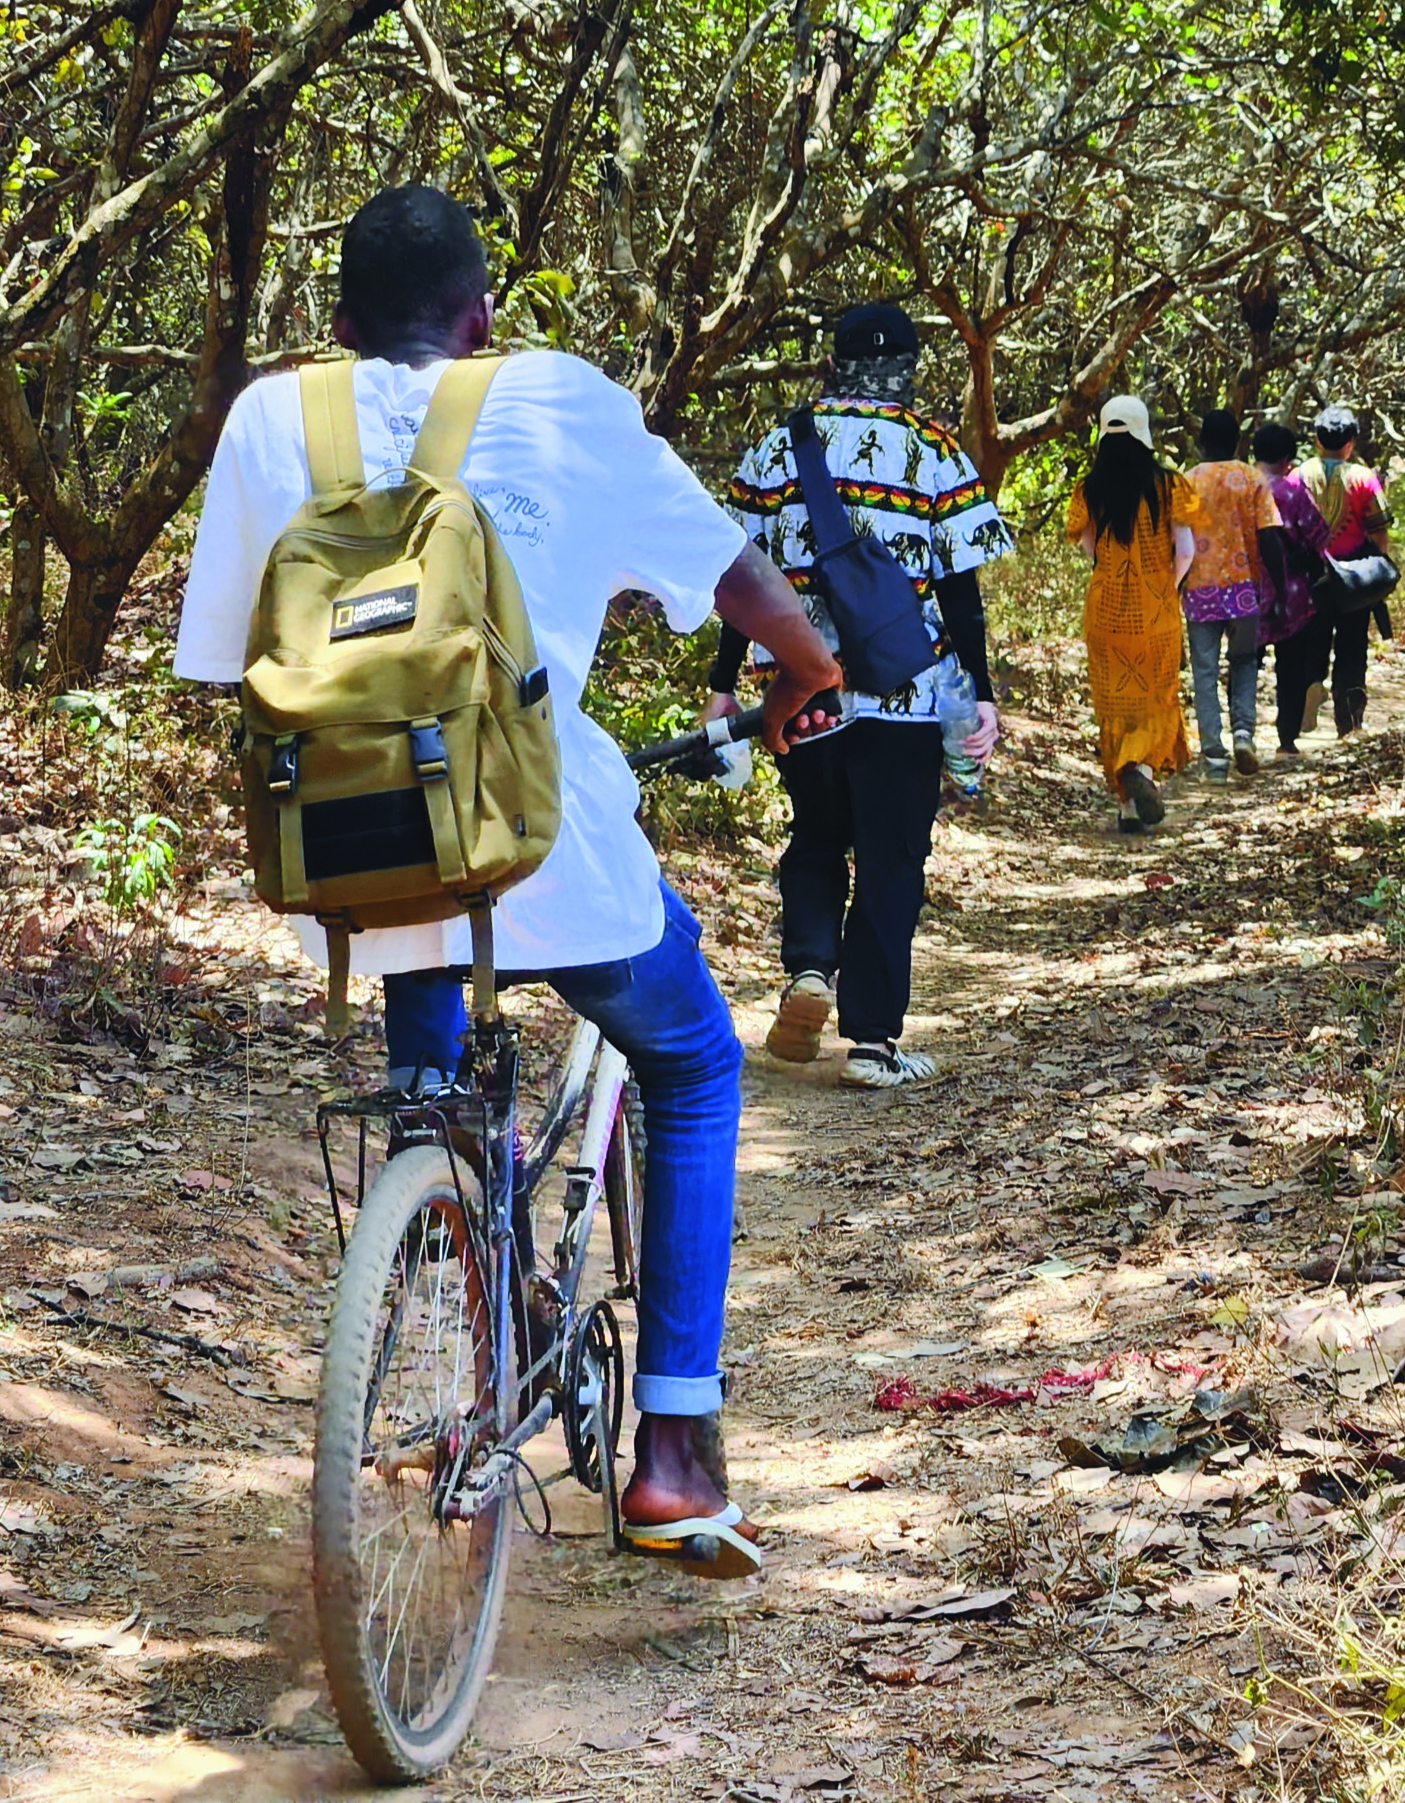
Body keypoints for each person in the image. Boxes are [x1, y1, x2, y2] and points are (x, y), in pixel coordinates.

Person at [174, 185, 841, 1580]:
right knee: (698, 1058)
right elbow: (740, 583)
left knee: (440, 1073)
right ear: (483, 318)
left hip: (352, 867)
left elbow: (227, 661)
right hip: (548, 845)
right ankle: (674, 1451)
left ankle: (463, 1296)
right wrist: (809, 673)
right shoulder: (563, 397)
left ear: (339, 323)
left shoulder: (269, 417)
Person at [715, 301, 1011, 1089]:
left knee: (815, 834)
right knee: (891, 861)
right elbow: (961, 593)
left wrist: (721, 686)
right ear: (908, 368)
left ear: (833, 364)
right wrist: (979, 692)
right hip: (908, 701)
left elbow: (737, 582)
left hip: (801, 691)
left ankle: (810, 969)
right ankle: (874, 1044)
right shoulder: (934, 450)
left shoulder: (779, 449)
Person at [1065, 394, 1193, 831]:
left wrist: (1109, 570)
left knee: (1115, 701)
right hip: (1157, 612)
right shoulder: (1171, 486)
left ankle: (1125, 806)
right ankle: (1141, 773)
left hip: (1105, 612)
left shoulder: (1089, 488)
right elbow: (1187, 552)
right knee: (1156, 697)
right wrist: (1165, 589)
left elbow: (1087, 545)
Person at [1178, 407, 1290, 780]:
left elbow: (1174, 543)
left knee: (1205, 672)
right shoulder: (1252, 479)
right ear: (1238, 442)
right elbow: (1270, 536)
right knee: (1244, 662)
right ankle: (1243, 734)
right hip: (1244, 590)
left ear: (1200, 442)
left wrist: (1171, 588)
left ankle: (1213, 759)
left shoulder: (1186, 482)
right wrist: (1281, 588)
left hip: (1199, 590)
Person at [1302, 403, 1391, 737]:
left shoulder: (1299, 477)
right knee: (1352, 649)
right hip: (1355, 580)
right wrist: (1380, 572)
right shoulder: (1364, 479)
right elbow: (1379, 532)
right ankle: (1350, 723)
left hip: (1311, 576)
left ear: (1316, 439)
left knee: (1312, 641)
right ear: (1351, 442)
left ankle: (1310, 688)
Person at [1249, 420, 1334, 765]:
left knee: (1244, 666)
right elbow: (1320, 536)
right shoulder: (1292, 493)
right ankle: (1286, 739)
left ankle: (1243, 734)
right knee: (1291, 666)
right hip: (1292, 593)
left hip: (1247, 592)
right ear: (1287, 460)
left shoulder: (1241, 489)